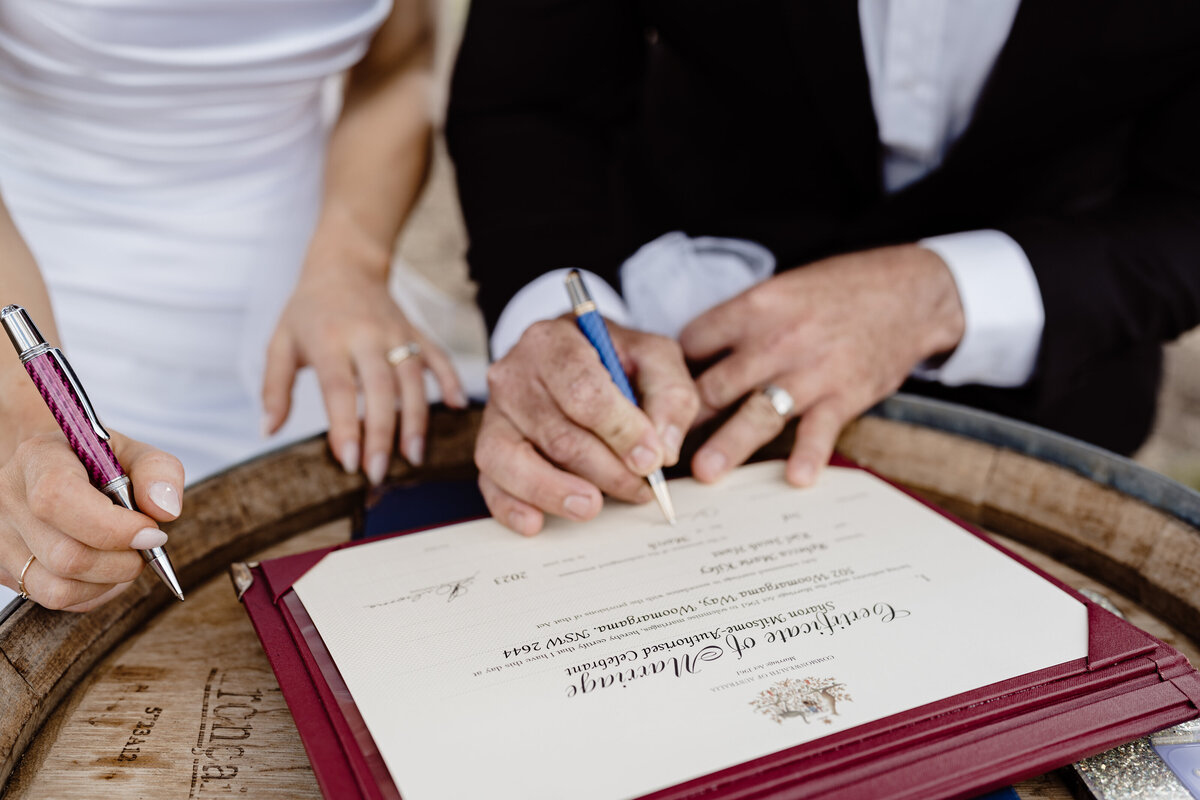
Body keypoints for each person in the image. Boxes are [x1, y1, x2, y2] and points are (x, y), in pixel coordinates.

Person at [445, 1, 1200, 535]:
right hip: (670, 372)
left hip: (1051, 386)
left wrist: (951, 292)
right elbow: (530, 97)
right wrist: (552, 308)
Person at [0, 0, 465, 611]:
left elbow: (401, 59)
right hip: (35, 300)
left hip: (313, 284)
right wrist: (20, 417)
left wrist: (352, 261)